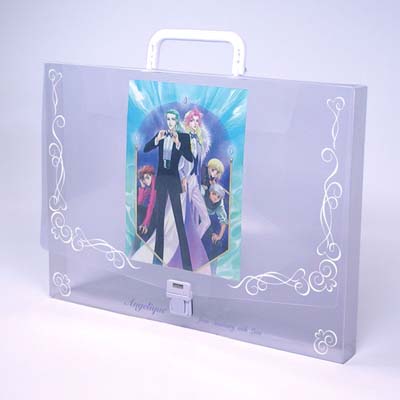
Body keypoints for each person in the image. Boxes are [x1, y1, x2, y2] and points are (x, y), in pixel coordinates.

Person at [143, 109, 193, 270]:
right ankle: (157, 261)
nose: (170, 122)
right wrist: (156, 140)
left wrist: (178, 144)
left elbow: (190, 157)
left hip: (173, 182)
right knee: (159, 220)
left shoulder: (183, 137)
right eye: (168, 119)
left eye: (173, 119)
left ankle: (187, 264)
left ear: (177, 120)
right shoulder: (161, 135)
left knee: (178, 220)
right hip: (162, 181)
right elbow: (146, 148)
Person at [201, 183, 228, 275]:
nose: (215, 197)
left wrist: (219, 236)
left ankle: (212, 272)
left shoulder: (219, 204)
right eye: (214, 194)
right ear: (210, 192)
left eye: (218, 196)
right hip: (194, 217)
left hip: (206, 223)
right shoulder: (202, 192)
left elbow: (224, 221)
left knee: (217, 243)